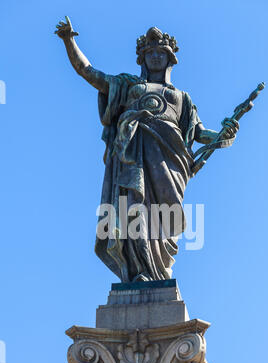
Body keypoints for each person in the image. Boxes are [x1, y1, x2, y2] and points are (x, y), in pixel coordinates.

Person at [55, 18, 239, 282]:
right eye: (149, 53)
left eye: (160, 53)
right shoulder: (128, 85)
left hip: (169, 162)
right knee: (133, 211)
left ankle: (159, 271)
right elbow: (88, 72)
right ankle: (139, 271)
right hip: (132, 158)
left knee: (164, 217)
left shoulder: (181, 98)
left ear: (170, 59)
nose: (154, 57)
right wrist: (69, 41)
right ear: (142, 58)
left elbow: (199, 133)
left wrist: (224, 135)